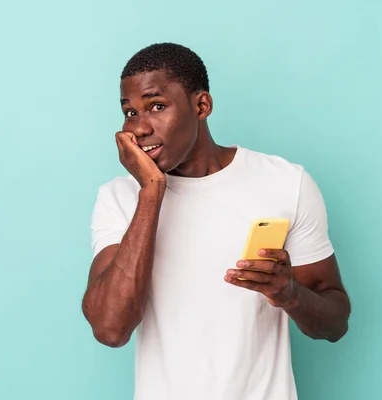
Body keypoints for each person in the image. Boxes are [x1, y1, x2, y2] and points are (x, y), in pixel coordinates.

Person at [82, 42, 351, 400]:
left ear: (201, 106)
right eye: (130, 112)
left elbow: (335, 322)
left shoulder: (286, 183)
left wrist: (289, 295)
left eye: (156, 106)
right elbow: (110, 329)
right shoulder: (117, 197)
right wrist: (150, 191)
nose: (139, 128)